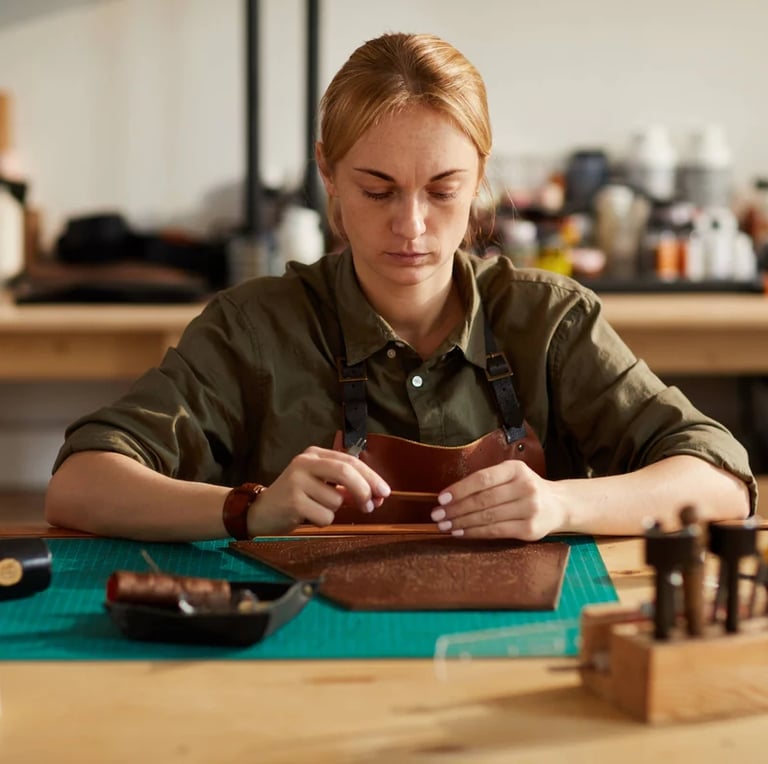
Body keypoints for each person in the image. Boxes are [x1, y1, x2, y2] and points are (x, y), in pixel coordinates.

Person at [45, 32, 755, 543]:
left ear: (480, 178)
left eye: (442, 190)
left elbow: (720, 480)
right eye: (376, 189)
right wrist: (247, 508)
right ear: (327, 176)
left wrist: (560, 505)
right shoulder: (252, 328)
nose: (410, 226)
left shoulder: (551, 320)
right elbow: (80, 484)